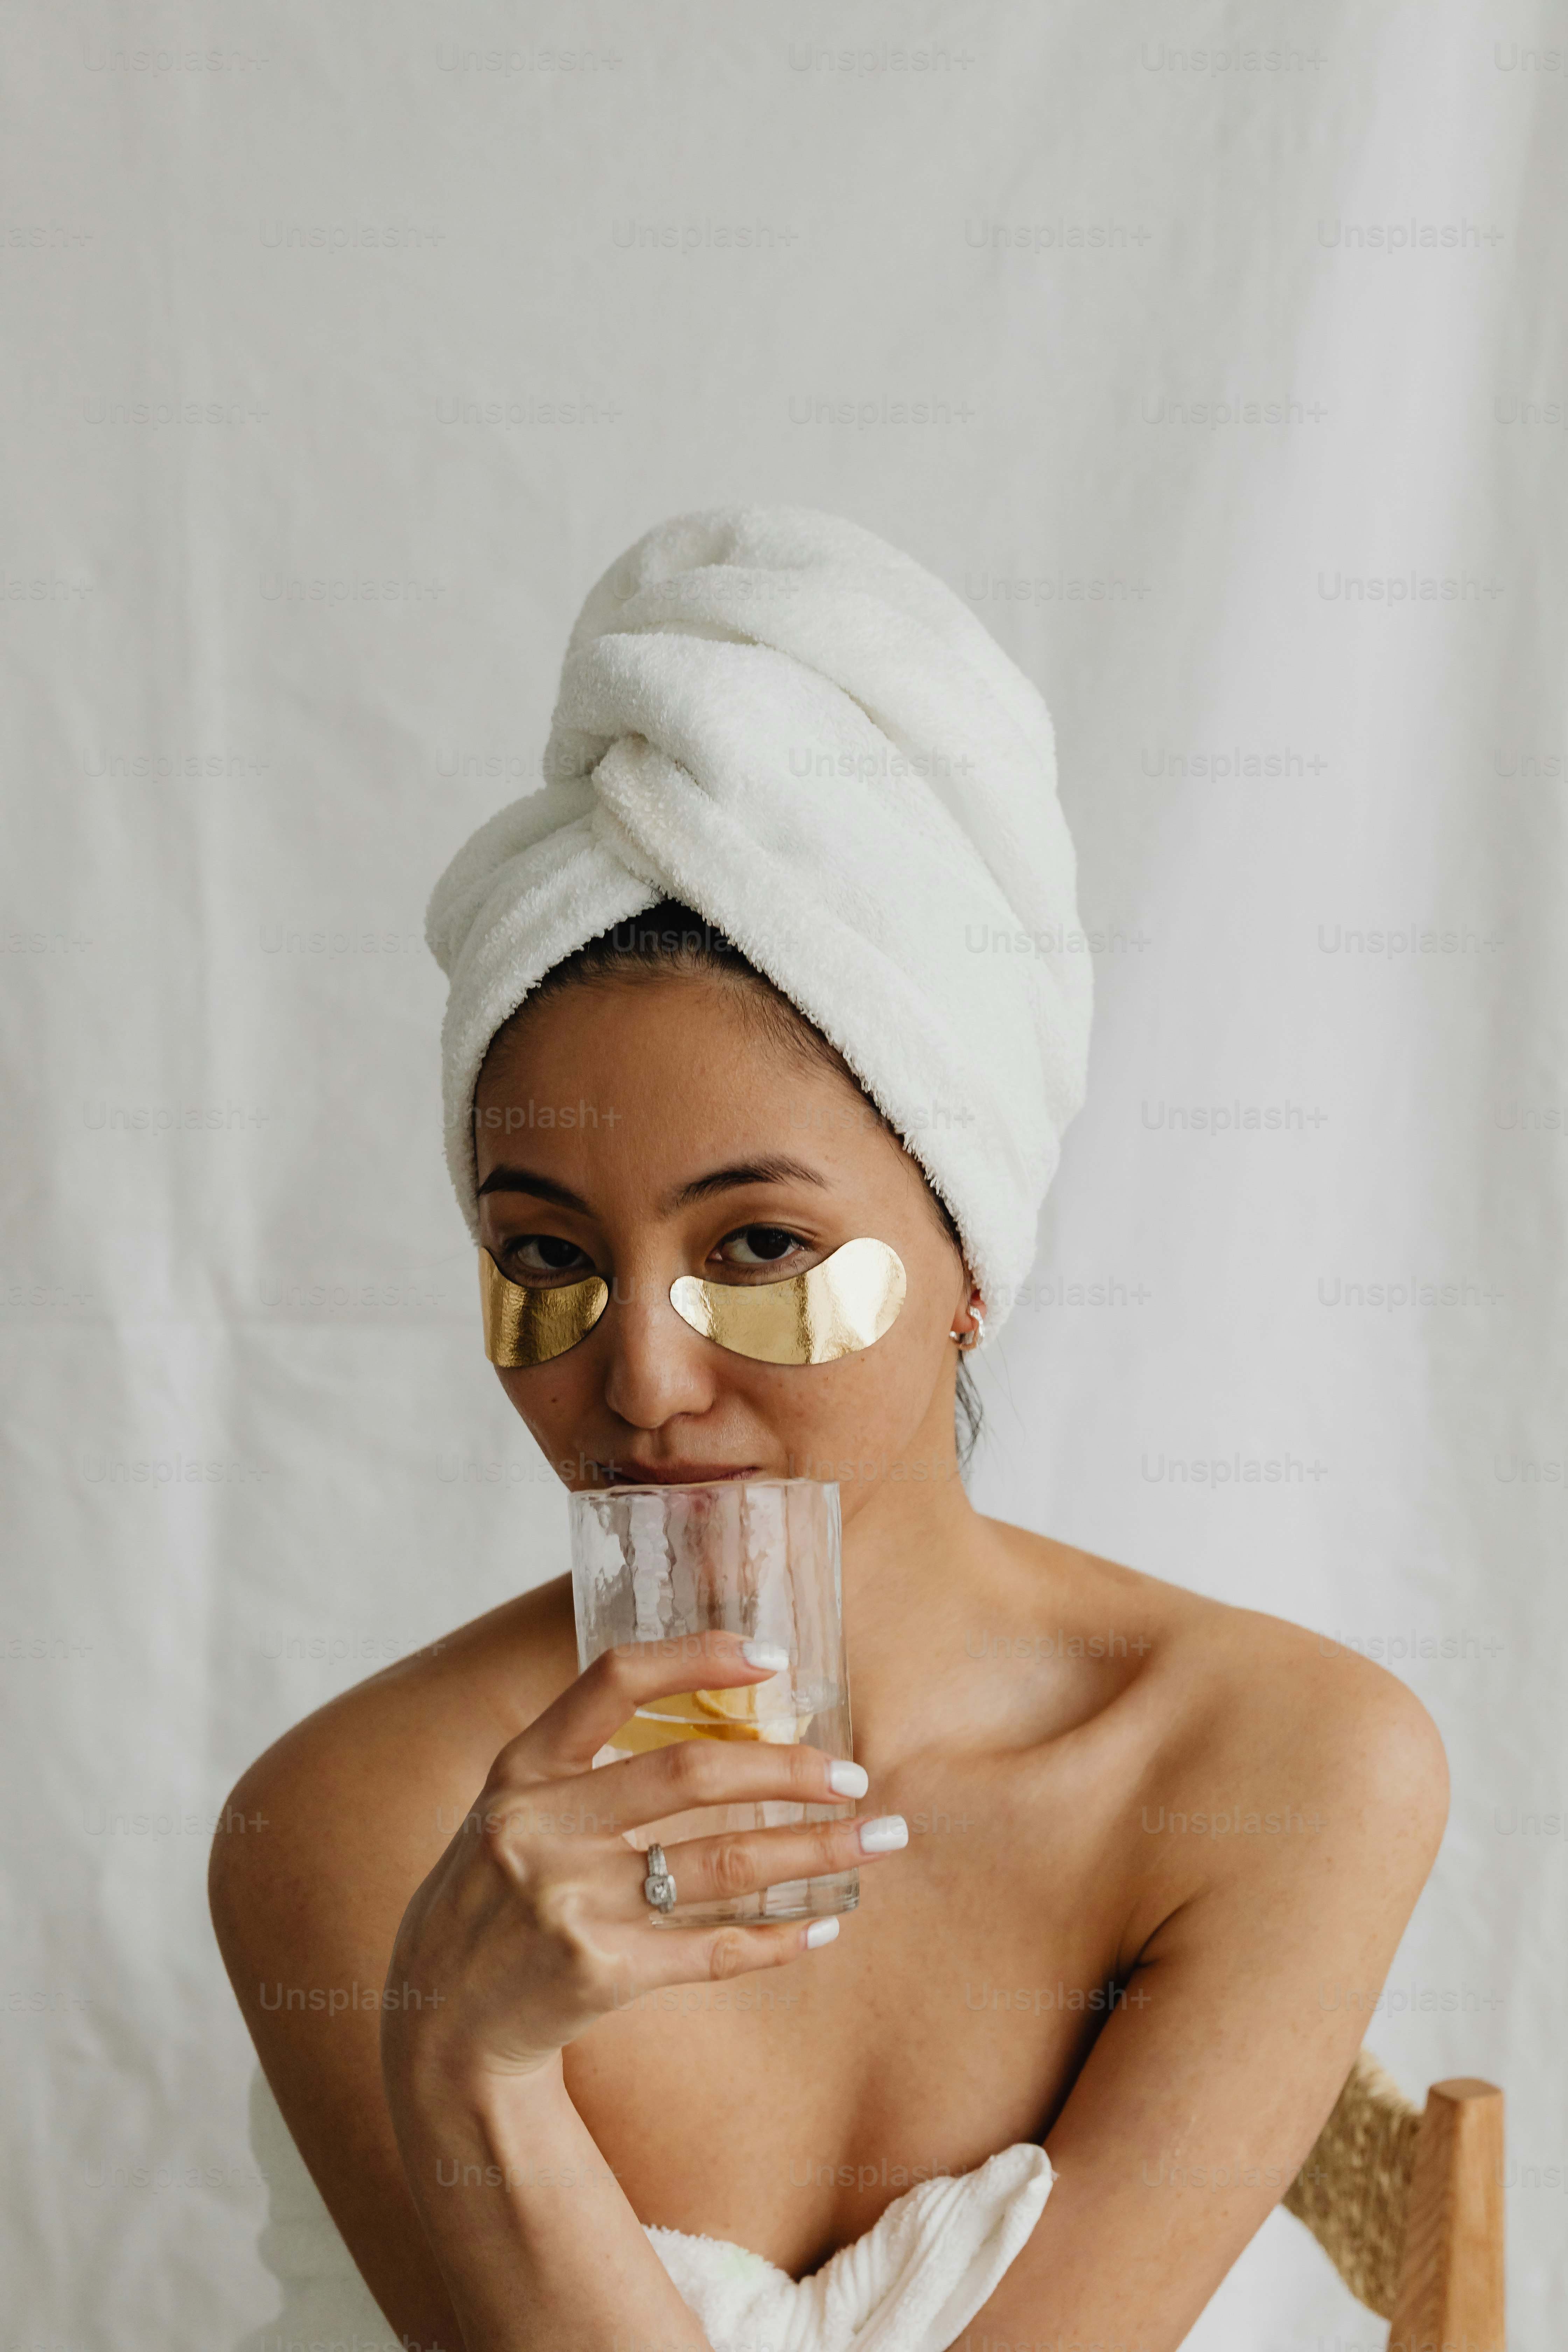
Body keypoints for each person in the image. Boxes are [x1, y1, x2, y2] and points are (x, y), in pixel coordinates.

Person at [211, 509, 1446, 2352]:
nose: (635, 1381)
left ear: (972, 1260)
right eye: (546, 1254)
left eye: (762, 1247)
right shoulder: (358, 1825)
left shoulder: (1285, 1764)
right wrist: (467, 2063)